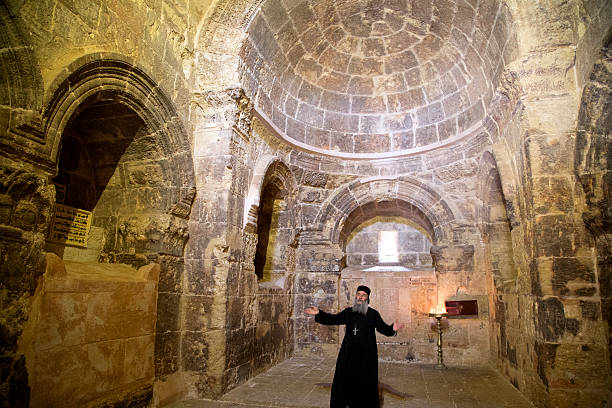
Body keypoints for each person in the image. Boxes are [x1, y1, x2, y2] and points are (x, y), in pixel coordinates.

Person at [304, 285, 401, 408]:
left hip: (366, 355)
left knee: (364, 381)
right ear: (356, 296)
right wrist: (319, 313)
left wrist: (393, 329)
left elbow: (383, 328)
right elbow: (333, 319)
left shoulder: (373, 314)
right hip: (348, 353)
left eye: (363, 295)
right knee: (345, 379)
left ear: (367, 298)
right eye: (358, 294)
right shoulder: (348, 312)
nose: (360, 297)